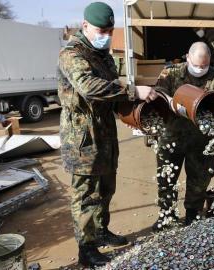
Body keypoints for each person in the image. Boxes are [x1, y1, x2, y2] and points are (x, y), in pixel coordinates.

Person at [58, 2, 157, 267]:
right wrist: (133, 91)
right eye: (102, 30)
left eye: (110, 31)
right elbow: (90, 88)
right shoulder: (71, 53)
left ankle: (101, 231)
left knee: (106, 188)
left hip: (106, 133)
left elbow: (112, 92)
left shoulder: (104, 57)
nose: (107, 35)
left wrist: (134, 111)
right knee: (86, 193)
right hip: (83, 137)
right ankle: (86, 248)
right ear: (85, 25)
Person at [152, 42, 214, 231]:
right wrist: (170, 101)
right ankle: (167, 216)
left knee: (199, 179)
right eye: (196, 65)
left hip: (201, 140)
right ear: (188, 58)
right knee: (167, 179)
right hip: (171, 136)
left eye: (204, 66)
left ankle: (192, 215)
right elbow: (159, 92)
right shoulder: (171, 72)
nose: (200, 69)